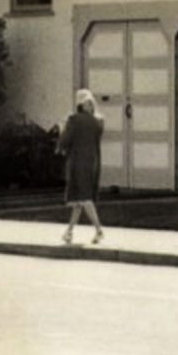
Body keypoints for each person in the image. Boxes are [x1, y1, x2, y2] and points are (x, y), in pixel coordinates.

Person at [57, 88, 105, 245]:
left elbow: (65, 141)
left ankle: (99, 230)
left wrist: (62, 129)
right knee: (79, 201)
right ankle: (69, 232)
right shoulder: (97, 123)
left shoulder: (74, 120)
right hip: (92, 162)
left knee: (84, 198)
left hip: (78, 163)